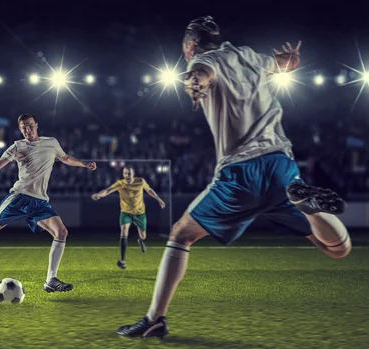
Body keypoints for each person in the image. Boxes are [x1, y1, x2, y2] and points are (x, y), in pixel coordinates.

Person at [117, 16, 350, 338]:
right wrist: (290, 61)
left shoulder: (203, 59)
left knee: (181, 235)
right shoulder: (251, 56)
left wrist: (195, 83)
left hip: (241, 174)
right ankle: (306, 205)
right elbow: (280, 63)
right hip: (282, 164)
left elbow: (201, 73)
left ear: (190, 46)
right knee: (337, 250)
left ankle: (155, 319)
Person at [0, 113, 97, 293]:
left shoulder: (51, 142)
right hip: (19, 197)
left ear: (36, 125)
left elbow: (65, 158)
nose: (28, 130)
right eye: (24, 127)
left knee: (61, 232)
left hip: (40, 201)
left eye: (30, 125)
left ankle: (51, 280)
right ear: (20, 129)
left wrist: (84, 164)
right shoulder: (18, 146)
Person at [91, 166, 166, 269]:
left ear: (133, 174)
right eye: (125, 173)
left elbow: (149, 190)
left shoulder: (140, 181)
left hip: (140, 214)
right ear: (123, 174)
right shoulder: (120, 183)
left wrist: (159, 199)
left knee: (143, 236)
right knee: (124, 231)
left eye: (129, 173)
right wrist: (99, 195)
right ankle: (122, 260)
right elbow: (108, 190)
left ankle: (140, 240)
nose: (127, 176)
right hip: (125, 213)